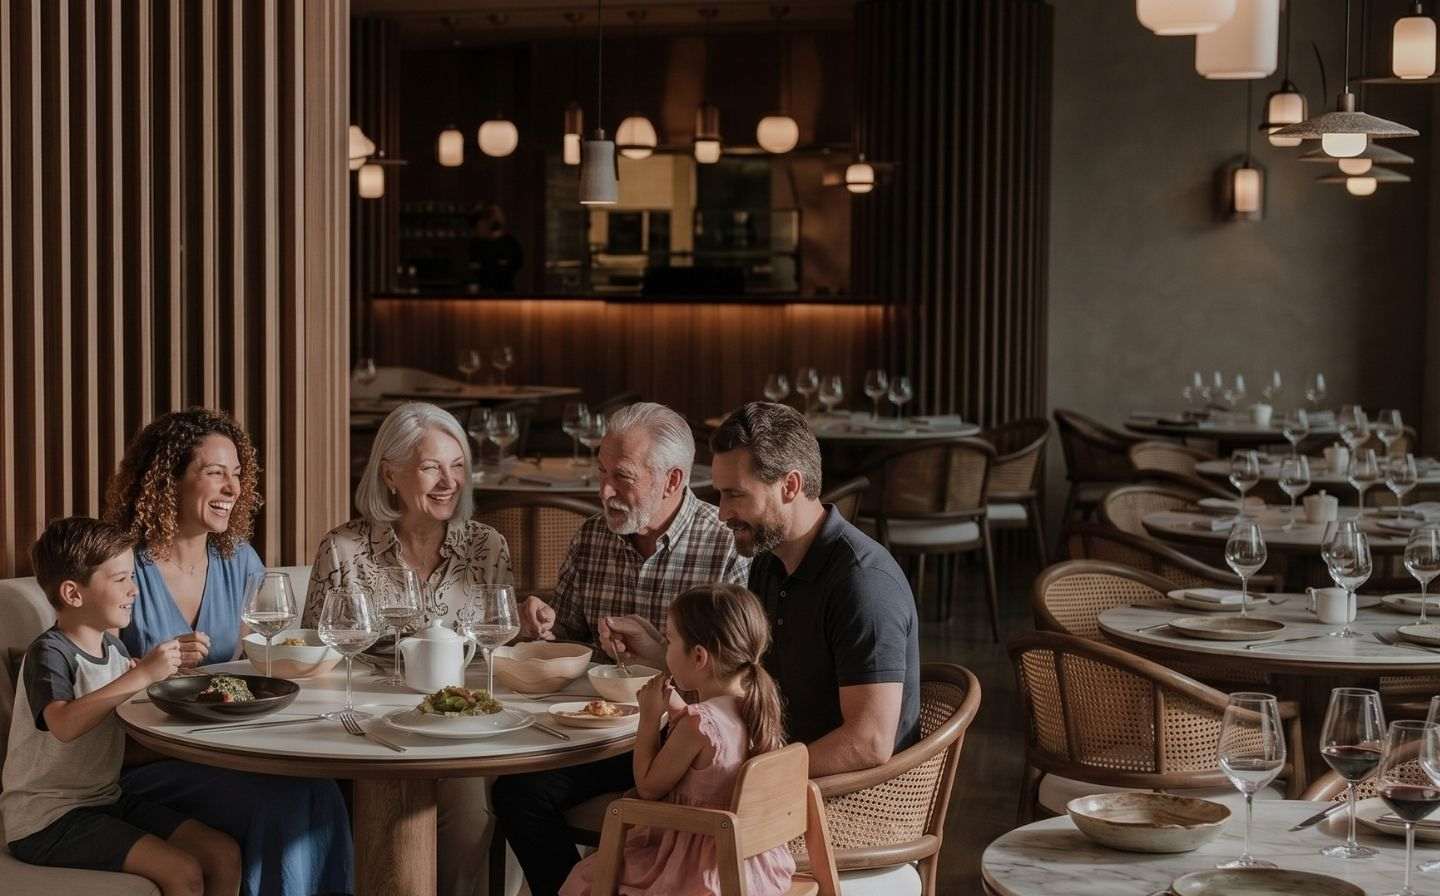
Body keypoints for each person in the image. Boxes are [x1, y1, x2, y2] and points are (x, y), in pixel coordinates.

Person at [497, 402, 748, 896]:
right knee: (515, 791)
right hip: (592, 729)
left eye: (623, 477)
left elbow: (738, 676)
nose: (605, 491)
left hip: (682, 738)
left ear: (672, 480)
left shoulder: (725, 546)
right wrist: (542, 627)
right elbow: (566, 636)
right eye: (602, 473)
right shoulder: (593, 536)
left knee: (522, 793)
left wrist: (658, 654)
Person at [103, 408, 353, 896]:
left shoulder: (238, 560)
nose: (233, 488)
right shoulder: (120, 565)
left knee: (321, 791)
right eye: (215, 472)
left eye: (237, 474)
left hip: (226, 748)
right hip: (143, 758)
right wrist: (155, 667)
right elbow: (89, 675)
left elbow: (258, 663)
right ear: (168, 479)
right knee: (281, 803)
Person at [608, 401, 920, 777]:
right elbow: (742, 683)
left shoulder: (862, 582)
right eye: (720, 495)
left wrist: (749, 777)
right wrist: (662, 655)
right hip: (775, 768)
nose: (722, 513)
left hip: (836, 792)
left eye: (735, 495)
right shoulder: (768, 562)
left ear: (790, 486)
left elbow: (868, 742)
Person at [305, 400, 513, 896]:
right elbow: (315, 654)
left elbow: (499, 649)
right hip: (362, 727)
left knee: (468, 810)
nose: (449, 481)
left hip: (456, 728)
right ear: (390, 474)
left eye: (457, 466)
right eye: (431, 467)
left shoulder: (488, 547)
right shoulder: (343, 549)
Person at [2, 517, 242, 896]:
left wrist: (169, 670)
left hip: (106, 799)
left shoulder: (113, 649)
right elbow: (63, 724)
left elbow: (131, 704)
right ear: (73, 593)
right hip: (47, 818)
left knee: (222, 853)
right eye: (120, 579)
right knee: (183, 872)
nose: (134, 589)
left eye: (132, 576)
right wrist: (142, 674)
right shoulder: (49, 653)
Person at [558, 584, 795, 896]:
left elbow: (648, 787)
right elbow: (713, 743)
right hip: (751, 863)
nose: (665, 650)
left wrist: (648, 719)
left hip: (694, 867)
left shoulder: (698, 724)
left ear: (698, 656)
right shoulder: (757, 704)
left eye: (669, 640)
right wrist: (677, 708)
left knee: (584, 877)